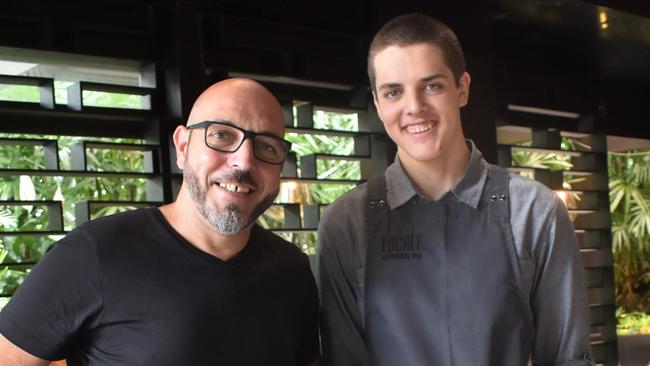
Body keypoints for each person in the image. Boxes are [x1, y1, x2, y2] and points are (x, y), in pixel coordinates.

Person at [317, 13, 595, 366]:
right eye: (393, 92)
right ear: (377, 102)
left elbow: (567, 359)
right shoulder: (346, 223)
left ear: (462, 88)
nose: (414, 107)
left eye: (431, 85)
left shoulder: (534, 210)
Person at [0, 78, 320, 365]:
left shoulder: (291, 268)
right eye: (221, 135)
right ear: (182, 147)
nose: (243, 160)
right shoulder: (95, 253)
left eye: (266, 146)